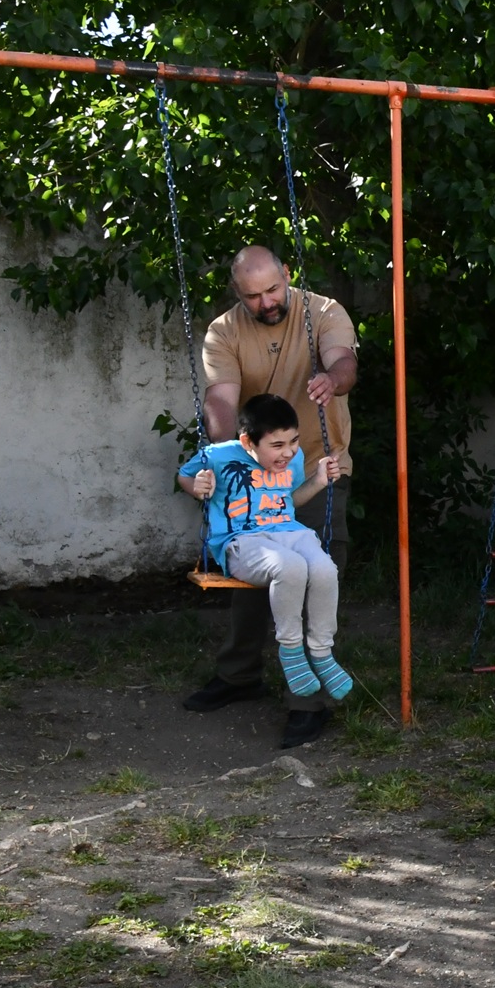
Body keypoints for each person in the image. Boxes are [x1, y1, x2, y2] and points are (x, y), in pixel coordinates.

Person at [184, 246, 357, 749]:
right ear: (238, 293)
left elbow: (343, 362)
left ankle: (309, 702)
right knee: (251, 570)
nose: (265, 303)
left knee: (313, 576)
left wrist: (332, 380)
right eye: (252, 296)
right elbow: (221, 397)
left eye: (273, 290)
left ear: (287, 275)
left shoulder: (324, 312)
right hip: (253, 473)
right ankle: (239, 675)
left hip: (318, 466)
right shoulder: (225, 331)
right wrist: (224, 459)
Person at [179, 394, 352, 739]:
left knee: (323, 568)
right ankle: (291, 653)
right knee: (288, 568)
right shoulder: (218, 455)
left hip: (287, 531)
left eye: (293, 441)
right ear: (247, 441)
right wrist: (196, 486)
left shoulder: (294, 458)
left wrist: (317, 482)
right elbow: (184, 477)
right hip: (242, 541)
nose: (288, 452)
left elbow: (289, 501)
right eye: (277, 445)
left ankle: (320, 652)